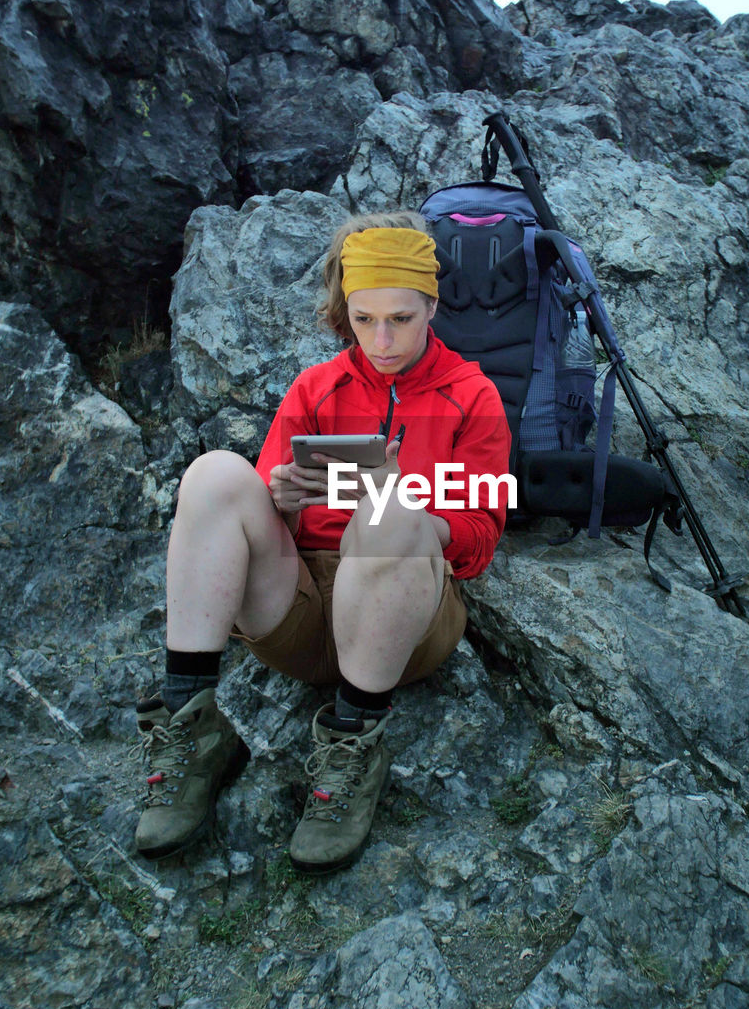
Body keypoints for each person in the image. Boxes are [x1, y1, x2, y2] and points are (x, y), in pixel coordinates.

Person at [134, 212, 512, 872]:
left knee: (391, 512)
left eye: (400, 317)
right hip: (304, 611)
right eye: (364, 320)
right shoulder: (316, 388)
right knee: (214, 475)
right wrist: (280, 500)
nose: (382, 339)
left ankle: (351, 744)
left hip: (405, 619)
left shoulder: (471, 397)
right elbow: (246, 522)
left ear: (432, 305)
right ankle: (189, 723)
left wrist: (413, 513)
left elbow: (481, 538)